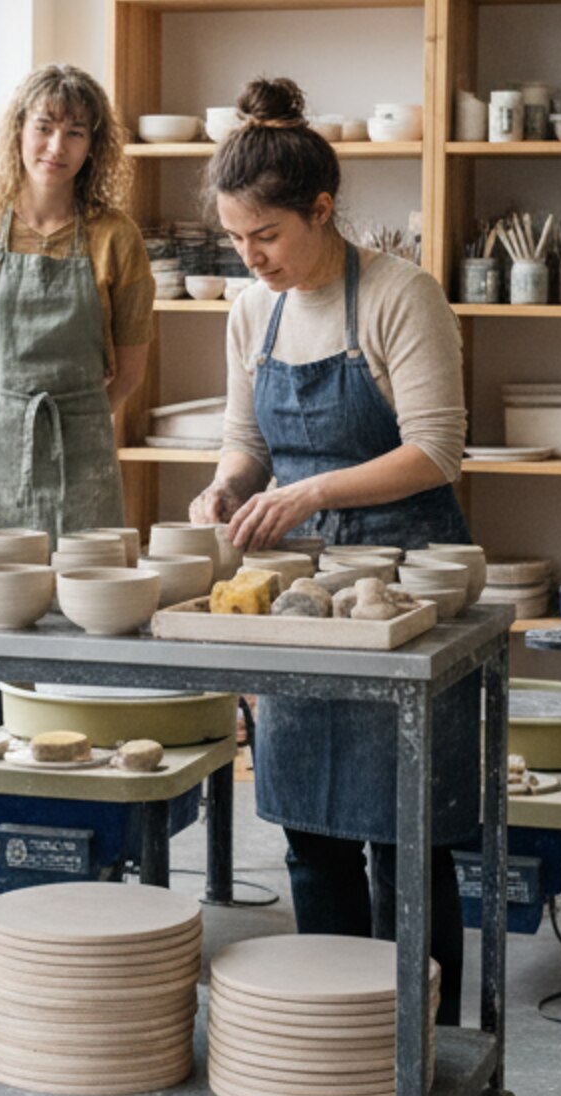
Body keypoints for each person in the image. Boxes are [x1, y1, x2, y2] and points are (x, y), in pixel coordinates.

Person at [185, 75, 472, 1021]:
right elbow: (248, 442)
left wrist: (306, 491)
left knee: (405, 834)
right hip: (297, 597)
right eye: (236, 238)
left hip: (398, 594)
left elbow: (435, 451)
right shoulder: (248, 312)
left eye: (266, 235)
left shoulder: (400, 293)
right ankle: (336, 1033)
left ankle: (418, 1043)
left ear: (322, 209)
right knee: (308, 828)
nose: (251, 256)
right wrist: (229, 484)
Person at [0, 63, 152, 730]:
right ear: (18, 132)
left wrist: (83, 419)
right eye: (44, 126)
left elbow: (128, 371)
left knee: (85, 619)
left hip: (80, 450)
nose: (57, 146)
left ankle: (76, 780)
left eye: (75, 132)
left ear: (94, 147)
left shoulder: (116, 238)